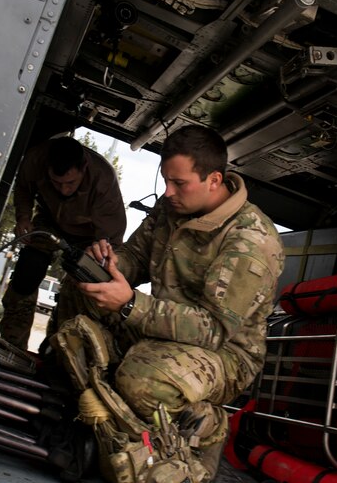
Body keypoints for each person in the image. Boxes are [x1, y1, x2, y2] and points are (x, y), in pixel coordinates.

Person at [74, 125, 285, 482]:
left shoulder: (251, 240)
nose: (168, 192)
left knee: (142, 382)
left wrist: (129, 305)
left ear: (214, 180)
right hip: (162, 332)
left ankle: (208, 424)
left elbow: (213, 329)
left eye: (180, 183)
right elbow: (136, 258)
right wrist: (109, 265)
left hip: (225, 356)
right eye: (165, 180)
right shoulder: (170, 208)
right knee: (80, 297)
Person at [0, 135, 127, 351]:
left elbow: (110, 239)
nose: (64, 190)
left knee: (81, 290)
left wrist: (99, 258)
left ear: (84, 168)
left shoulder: (103, 180)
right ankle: (12, 346)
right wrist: (23, 217)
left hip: (90, 234)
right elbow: (23, 188)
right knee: (27, 272)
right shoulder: (35, 160)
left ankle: (56, 352)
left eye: (71, 183)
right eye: (57, 183)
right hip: (48, 221)